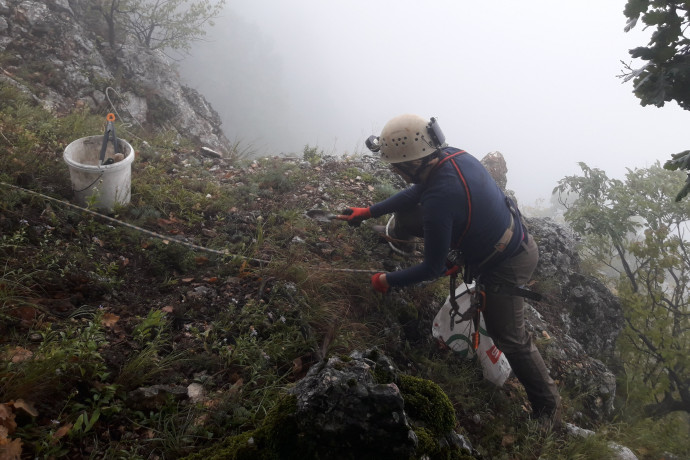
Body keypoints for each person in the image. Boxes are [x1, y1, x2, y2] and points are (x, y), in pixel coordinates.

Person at [338, 114, 561, 427]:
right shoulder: (449, 156)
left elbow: (431, 268)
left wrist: (386, 280)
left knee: (510, 338)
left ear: (410, 163)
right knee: (413, 215)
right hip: (500, 238)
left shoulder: (441, 198)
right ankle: (400, 237)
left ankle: (548, 407)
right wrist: (369, 211)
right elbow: (417, 191)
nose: (394, 171)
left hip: (507, 262)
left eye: (395, 166)